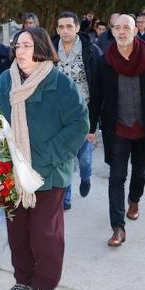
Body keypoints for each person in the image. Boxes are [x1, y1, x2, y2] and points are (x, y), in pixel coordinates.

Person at [0, 27, 88, 290]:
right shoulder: (4, 82)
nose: (19, 51)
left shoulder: (59, 83)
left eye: (27, 46)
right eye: (17, 46)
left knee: (45, 234)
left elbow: (79, 124)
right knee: (17, 231)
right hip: (11, 174)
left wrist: (44, 156)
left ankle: (45, 286)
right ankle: (24, 278)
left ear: (42, 49)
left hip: (48, 173)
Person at [88, 14, 145, 247]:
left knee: (140, 170)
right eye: (117, 28)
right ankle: (118, 227)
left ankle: (134, 200)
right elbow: (96, 96)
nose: (122, 32)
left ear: (136, 31)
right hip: (117, 128)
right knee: (116, 177)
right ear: (112, 32)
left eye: (127, 27)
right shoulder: (104, 61)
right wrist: (91, 125)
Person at [52, 11, 102, 210]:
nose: (65, 30)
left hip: (83, 111)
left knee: (83, 156)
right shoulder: (50, 50)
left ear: (77, 28)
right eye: (61, 27)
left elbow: (98, 86)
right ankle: (66, 199)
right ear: (57, 29)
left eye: (69, 26)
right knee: (64, 158)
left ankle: (86, 176)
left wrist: (95, 118)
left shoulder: (91, 50)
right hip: (58, 112)